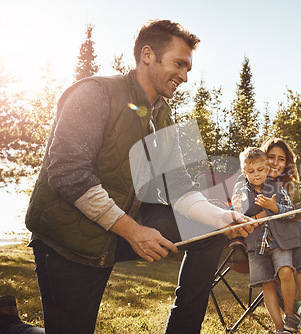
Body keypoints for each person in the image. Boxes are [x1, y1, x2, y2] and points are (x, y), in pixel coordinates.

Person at [1, 19, 255, 334]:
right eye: (179, 64)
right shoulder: (94, 93)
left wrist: (221, 217)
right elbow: (68, 173)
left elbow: (180, 188)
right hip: (67, 239)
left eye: (188, 68)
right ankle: (8, 324)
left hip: (118, 226)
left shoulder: (163, 118)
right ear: (148, 55)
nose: (185, 77)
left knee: (208, 231)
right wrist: (133, 232)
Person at [232, 147, 301, 334]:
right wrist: (236, 209)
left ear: (267, 169)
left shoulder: (276, 188)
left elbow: (291, 212)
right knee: (267, 283)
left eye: (261, 170)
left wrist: (275, 207)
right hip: (256, 245)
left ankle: (290, 316)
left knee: (286, 271)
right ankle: (280, 328)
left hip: (280, 241)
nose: (256, 175)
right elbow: (236, 216)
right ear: (244, 172)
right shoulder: (241, 192)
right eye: (251, 171)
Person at [261, 138, 301, 330]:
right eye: (270, 157)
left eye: (281, 159)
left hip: (285, 242)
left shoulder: (281, 187)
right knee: (299, 227)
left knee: (299, 227)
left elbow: (292, 212)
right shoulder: (255, 181)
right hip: (266, 244)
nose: (275, 162)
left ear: (286, 165)